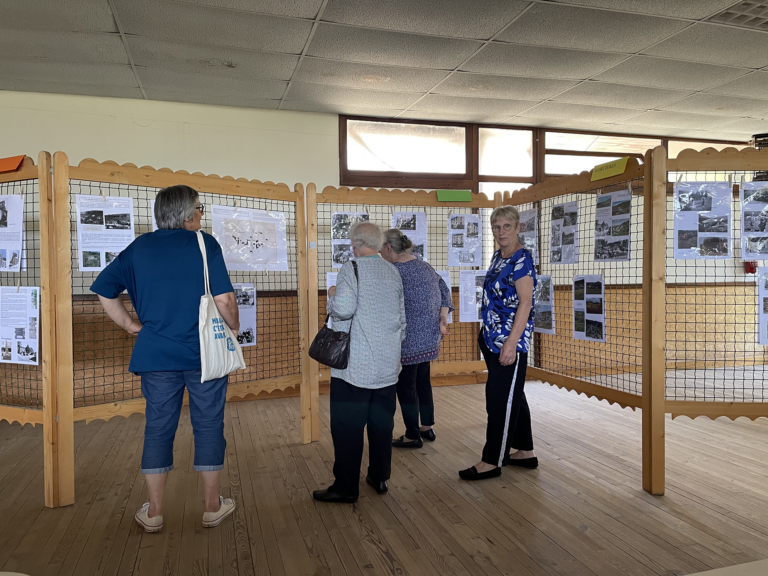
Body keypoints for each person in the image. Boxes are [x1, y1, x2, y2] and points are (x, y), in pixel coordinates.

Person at [90, 185, 239, 531]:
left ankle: (154, 512)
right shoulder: (206, 244)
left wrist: (130, 325)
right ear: (188, 214)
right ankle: (212, 506)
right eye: (199, 208)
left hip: (155, 355)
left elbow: (103, 289)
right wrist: (234, 327)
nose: (202, 214)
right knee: (208, 424)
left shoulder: (140, 247)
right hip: (205, 355)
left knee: (158, 427)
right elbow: (225, 302)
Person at [313, 222, 406, 504]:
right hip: (388, 366)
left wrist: (331, 295)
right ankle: (379, 477)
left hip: (355, 367)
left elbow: (342, 309)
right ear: (378, 244)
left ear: (354, 243)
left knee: (347, 427)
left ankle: (345, 487)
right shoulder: (392, 271)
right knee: (381, 424)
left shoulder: (351, 269)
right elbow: (401, 319)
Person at [459, 205, 538, 481]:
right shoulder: (499, 256)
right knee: (513, 394)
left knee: (498, 400)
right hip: (491, 339)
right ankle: (525, 451)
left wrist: (511, 344)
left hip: (508, 342)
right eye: (496, 227)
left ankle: (492, 460)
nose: (501, 232)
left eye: (507, 226)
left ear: (518, 228)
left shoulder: (521, 259)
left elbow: (525, 303)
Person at [380, 228, 453, 448]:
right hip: (429, 338)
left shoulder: (394, 271)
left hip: (408, 341)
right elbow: (445, 291)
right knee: (423, 382)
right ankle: (427, 427)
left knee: (405, 387)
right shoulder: (425, 266)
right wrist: (442, 318)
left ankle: (412, 434)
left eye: (381, 248)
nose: (380, 253)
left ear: (389, 248)